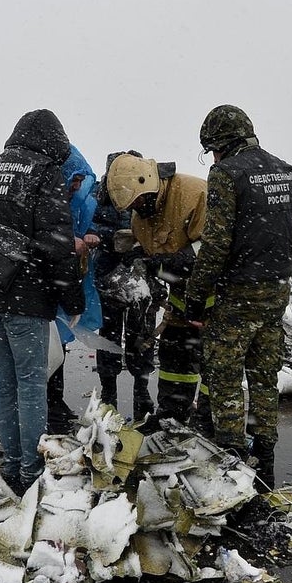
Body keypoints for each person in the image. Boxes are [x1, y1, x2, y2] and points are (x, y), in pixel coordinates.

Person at [0, 109, 84, 491]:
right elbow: (59, 244)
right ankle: (30, 473)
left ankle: (12, 464)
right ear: (54, 142)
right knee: (30, 383)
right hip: (27, 299)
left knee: (4, 382)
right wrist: (70, 298)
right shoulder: (44, 173)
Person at [182, 105, 292, 491]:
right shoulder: (285, 171)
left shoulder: (227, 173)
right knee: (264, 376)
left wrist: (195, 298)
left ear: (219, 144)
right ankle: (265, 458)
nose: (211, 158)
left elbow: (216, 244)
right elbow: (291, 232)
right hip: (276, 289)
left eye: (210, 150)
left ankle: (232, 462)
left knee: (226, 377)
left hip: (239, 293)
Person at [106, 152, 211, 431]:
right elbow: (155, 253)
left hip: (216, 302)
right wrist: (140, 257)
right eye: (132, 205)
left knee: (214, 366)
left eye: (139, 201)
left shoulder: (194, 193)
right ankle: (171, 415)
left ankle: (209, 421)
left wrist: (173, 262)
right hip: (181, 300)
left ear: (148, 183)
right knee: (174, 359)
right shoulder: (141, 217)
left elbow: (213, 248)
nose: (138, 208)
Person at [93, 151, 160, 419]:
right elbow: (89, 225)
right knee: (107, 336)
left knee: (141, 335)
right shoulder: (98, 196)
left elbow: (158, 230)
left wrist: (139, 247)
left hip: (142, 276)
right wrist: (110, 238)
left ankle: (141, 389)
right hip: (108, 276)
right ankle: (108, 392)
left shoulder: (148, 194)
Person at [46, 144, 103, 433]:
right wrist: (68, 243)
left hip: (66, 283)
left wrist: (90, 235)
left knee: (60, 346)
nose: (77, 186)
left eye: (81, 180)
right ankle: (48, 410)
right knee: (46, 349)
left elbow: (94, 226)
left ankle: (54, 405)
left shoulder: (82, 202)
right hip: (46, 287)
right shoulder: (46, 201)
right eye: (73, 180)